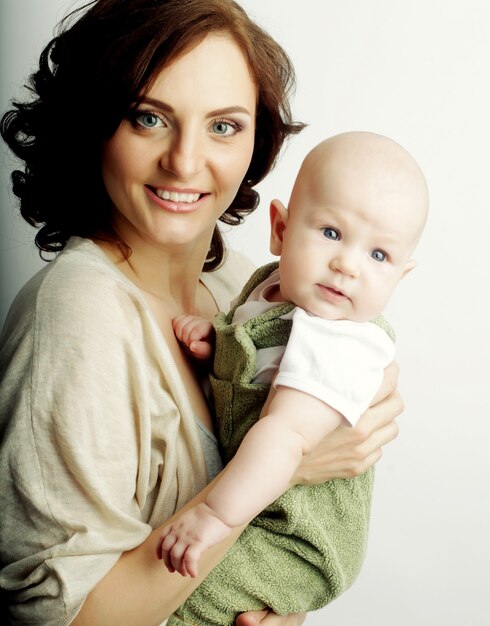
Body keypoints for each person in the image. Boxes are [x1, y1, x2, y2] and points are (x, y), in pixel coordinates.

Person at [0, 0, 402, 624]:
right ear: (94, 125)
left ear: (255, 141)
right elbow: (65, 618)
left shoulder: (246, 284)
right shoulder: (77, 312)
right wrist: (290, 467)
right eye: (148, 118)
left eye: (223, 126)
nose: (185, 162)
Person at [160, 131, 428, 625]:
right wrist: (220, 340)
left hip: (297, 537)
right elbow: (260, 342)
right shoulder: (274, 286)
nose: (347, 264)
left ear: (400, 276)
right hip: (260, 503)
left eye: (378, 256)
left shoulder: (339, 340)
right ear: (280, 229)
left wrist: (213, 517)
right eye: (331, 232)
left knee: (193, 597)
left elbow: (284, 436)